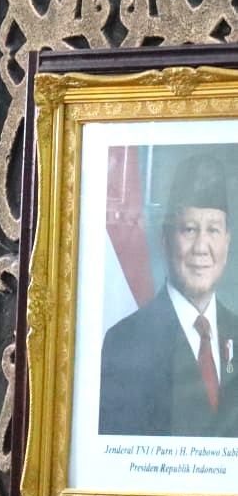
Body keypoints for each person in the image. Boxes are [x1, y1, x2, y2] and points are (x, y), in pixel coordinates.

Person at [99, 153, 238, 436]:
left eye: (213, 230)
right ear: (166, 239)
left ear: (227, 241)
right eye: (189, 229)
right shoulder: (124, 343)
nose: (201, 247)